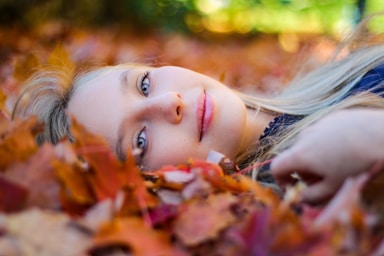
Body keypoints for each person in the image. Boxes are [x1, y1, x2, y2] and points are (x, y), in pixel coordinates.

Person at [12, 25, 384, 205]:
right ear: (156, 184)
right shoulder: (307, 186)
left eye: (144, 84)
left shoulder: (338, 73)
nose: (168, 103)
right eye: (139, 140)